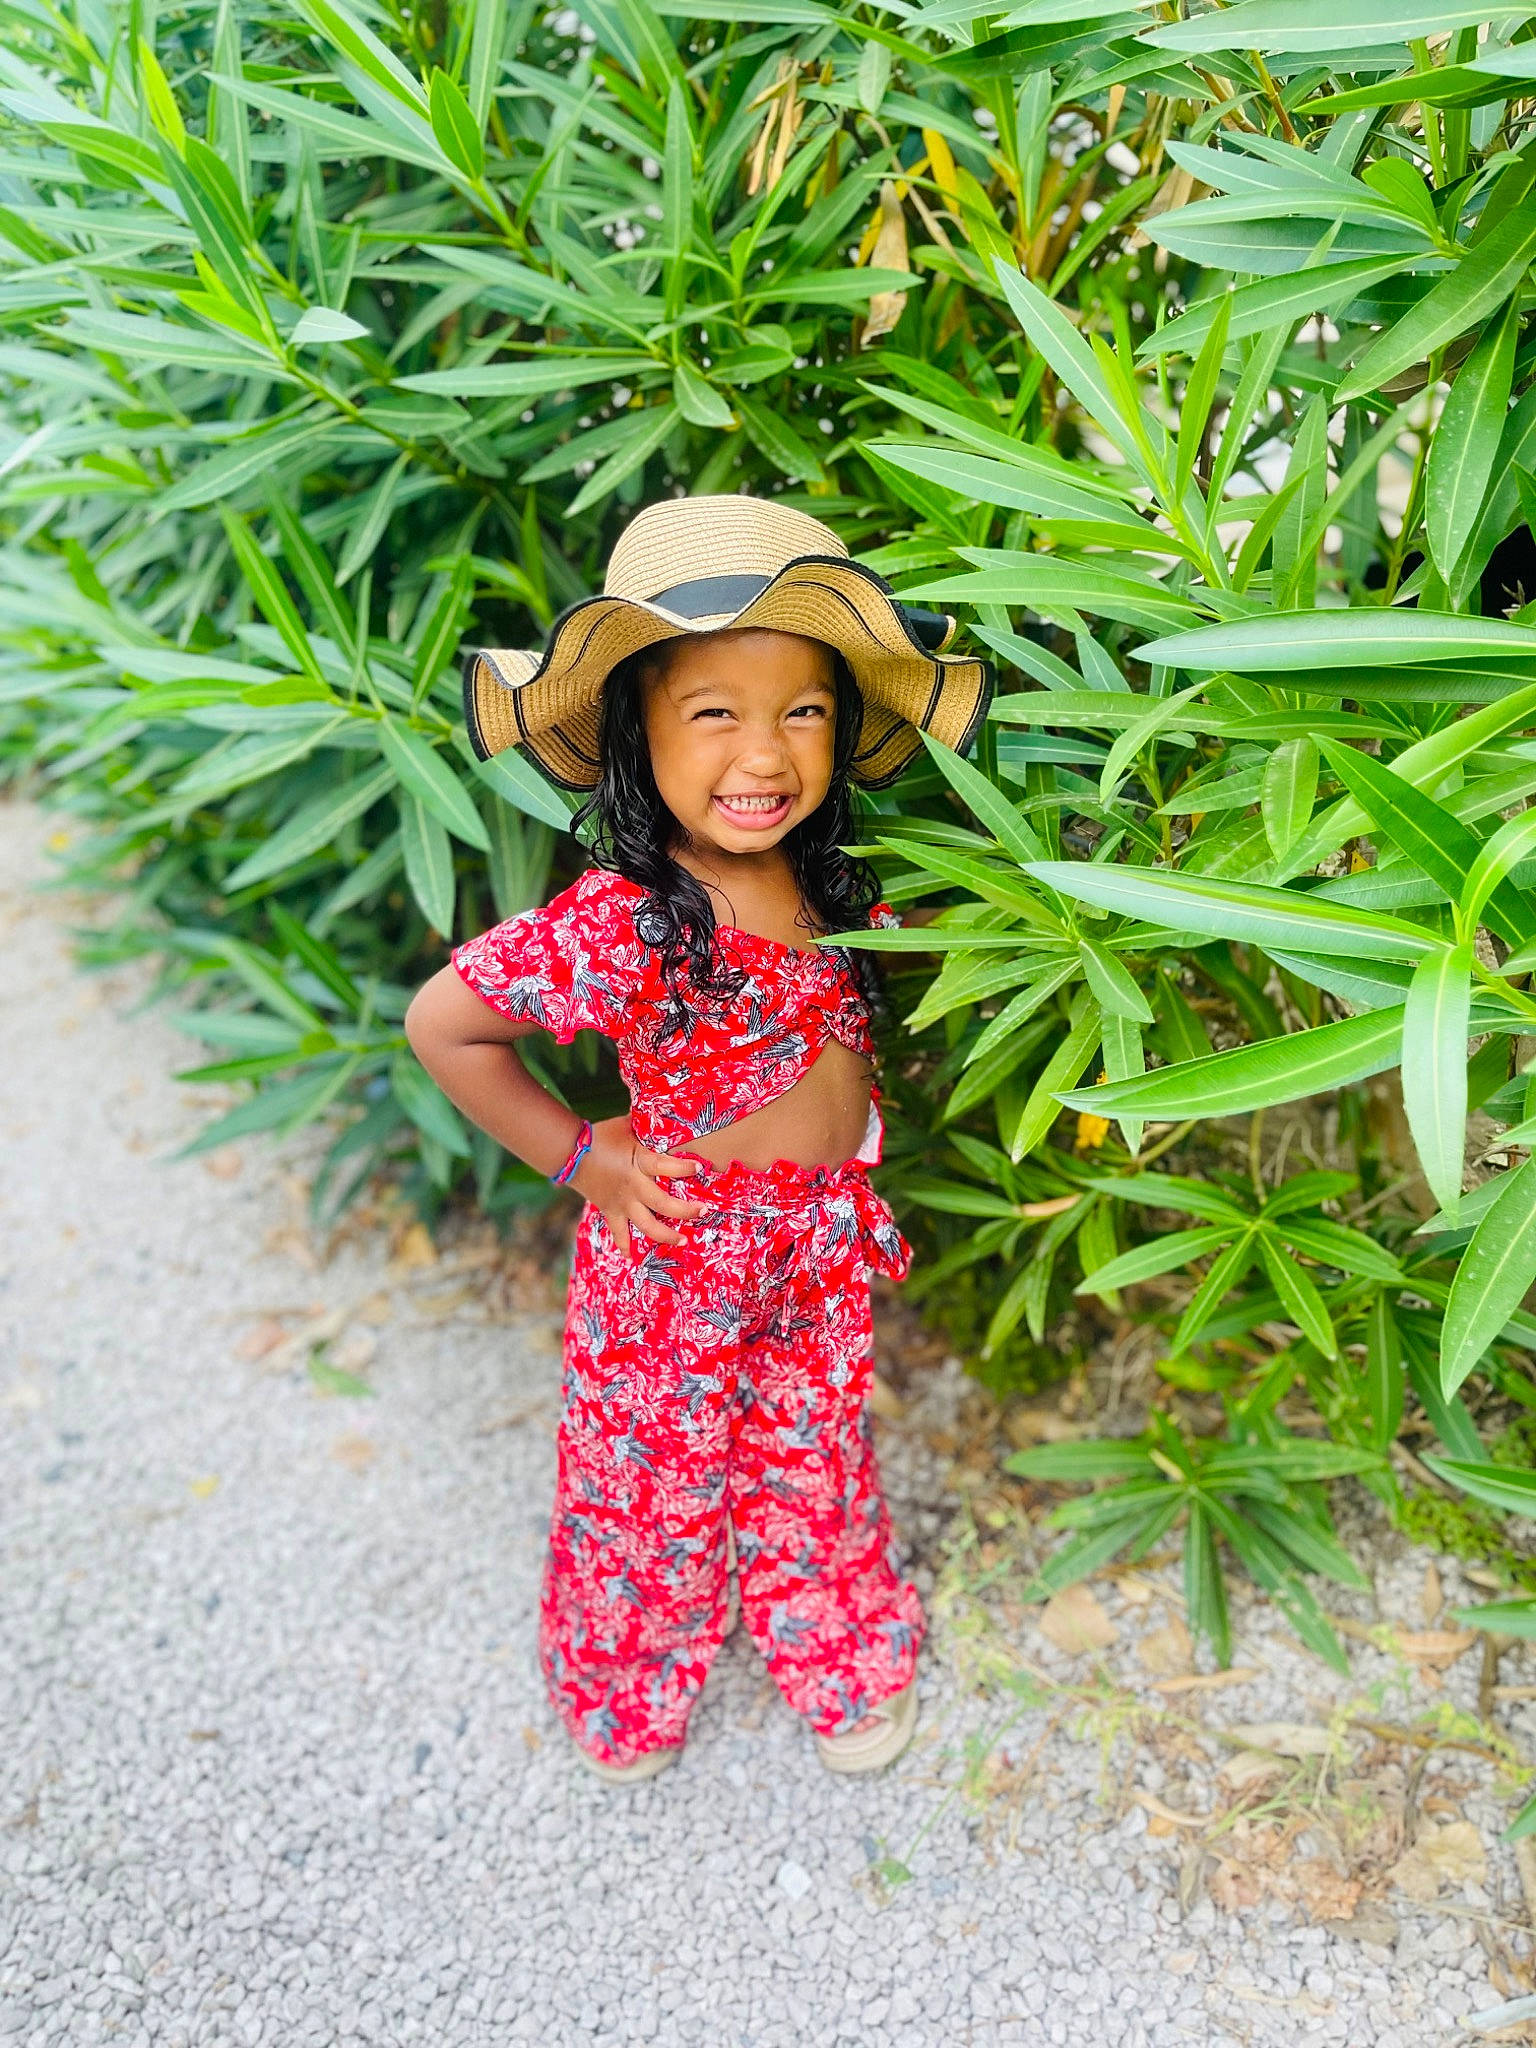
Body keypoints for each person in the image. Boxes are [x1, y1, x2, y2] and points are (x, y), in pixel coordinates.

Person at [405, 494, 991, 1784]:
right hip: (678, 1265)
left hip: (817, 1250)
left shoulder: (838, 886)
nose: (763, 751)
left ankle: (834, 1651)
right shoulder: (623, 919)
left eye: (803, 710)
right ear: (637, 734)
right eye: (713, 711)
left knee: (813, 1461)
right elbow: (444, 1026)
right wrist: (586, 1157)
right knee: (648, 1488)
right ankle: (623, 1687)